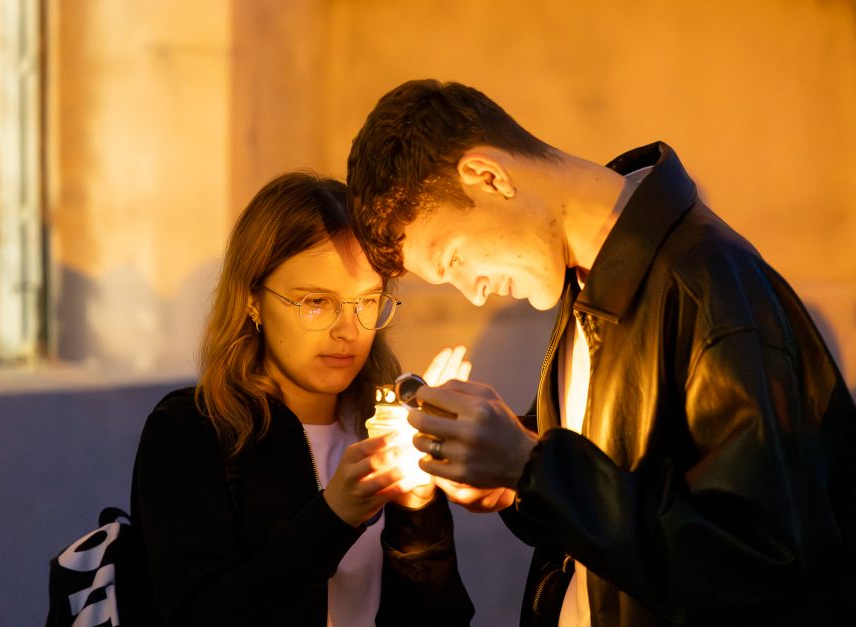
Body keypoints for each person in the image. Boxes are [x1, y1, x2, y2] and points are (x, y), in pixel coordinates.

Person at [345, 79, 856, 626]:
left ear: (488, 177)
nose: (473, 291)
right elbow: (625, 499)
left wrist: (532, 467)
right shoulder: (586, 288)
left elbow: (756, 567)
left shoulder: (708, 284)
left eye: (453, 259)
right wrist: (511, 481)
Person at [130, 172, 475, 626]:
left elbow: (440, 618)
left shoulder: (388, 422)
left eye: (367, 300)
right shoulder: (192, 431)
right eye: (316, 302)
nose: (347, 331)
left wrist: (418, 508)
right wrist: (333, 517)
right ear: (253, 299)